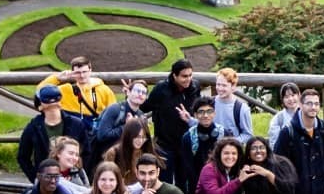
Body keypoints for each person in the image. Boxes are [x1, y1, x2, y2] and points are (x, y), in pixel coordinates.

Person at [37, 55, 117, 171]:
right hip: (73, 134)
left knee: (94, 164)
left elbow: (113, 112)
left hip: (95, 134)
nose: (82, 76)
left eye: (84, 72)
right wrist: (57, 78)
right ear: (72, 73)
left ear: (90, 70)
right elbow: (41, 92)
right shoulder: (66, 89)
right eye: (78, 73)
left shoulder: (103, 90)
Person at [141, 58, 200, 187]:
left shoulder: (194, 87)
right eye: (184, 76)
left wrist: (190, 118)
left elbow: (200, 109)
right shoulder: (161, 89)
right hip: (164, 145)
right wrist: (132, 96)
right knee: (164, 183)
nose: (188, 79)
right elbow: (145, 107)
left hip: (186, 144)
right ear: (174, 75)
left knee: (184, 183)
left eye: (190, 75)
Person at [17, 85, 89, 182]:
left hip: (73, 178)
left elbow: (87, 153)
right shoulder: (33, 127)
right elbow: (22, 157)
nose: (53, 105)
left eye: (55, 101)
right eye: (50, 102)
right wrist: (35, 176)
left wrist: (77, 171)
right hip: (45, 179)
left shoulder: (76, 124)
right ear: (40, 106)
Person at [94, 79, 148, 162]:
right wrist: (127, 126)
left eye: (143, 93)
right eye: (137, 91)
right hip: (107, 158)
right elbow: (102, 136)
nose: (140, 94)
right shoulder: (114, 109)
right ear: (128, 92)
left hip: (129, 158)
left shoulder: (141, 116)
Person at [213, 67, 253, 142]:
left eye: (224, 85)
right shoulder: (209, 103)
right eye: (218, 84)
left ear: (233, 87)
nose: (220, 88)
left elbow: (248, 135)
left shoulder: (241, 109)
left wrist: (231, 142)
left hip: (231, 150)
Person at [268, 82, 301, 151]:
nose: (290, 99)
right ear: (282, 100)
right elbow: (274, 145)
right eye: (286, 97)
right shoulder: (278, 119)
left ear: (299, 96)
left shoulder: (307, 115)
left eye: (293, 95)